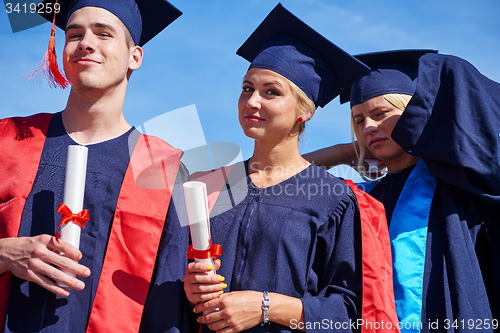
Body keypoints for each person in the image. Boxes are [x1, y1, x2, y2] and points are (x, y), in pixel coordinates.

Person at [184, 4, 399, 333]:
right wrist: (186, 286)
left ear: (304, 111)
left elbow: (353, 314)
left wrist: (267, 307)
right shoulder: (212, 187)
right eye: (247, 89)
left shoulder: (335, 200)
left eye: (271, 92)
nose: (252, 101)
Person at [0, 0, 191, 332]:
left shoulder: (162, 170)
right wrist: (3, 253)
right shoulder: (8, 141)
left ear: (135, 57)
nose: (85, 43)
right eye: (74, 34)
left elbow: (168, 311)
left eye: (104, 34)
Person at [304, 49, 500, 332]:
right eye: (359, 120)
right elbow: (273, 179)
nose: (369, 127)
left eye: (380, 113)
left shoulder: (462, 181)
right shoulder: (361, 198)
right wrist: (344, 152)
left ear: (415, 110)